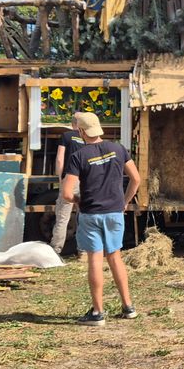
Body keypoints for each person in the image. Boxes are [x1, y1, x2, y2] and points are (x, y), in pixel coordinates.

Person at [62, 112, 142, 326]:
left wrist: (78, 200)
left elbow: (66, 194)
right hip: (115, 213)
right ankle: (128, 307)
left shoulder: (78, 156)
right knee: (115, 257)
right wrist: (125, 201)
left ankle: (98, 313)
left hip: (91, 214)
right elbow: (136, 179)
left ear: (81, 132)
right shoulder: (118, 148)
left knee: (95, 260)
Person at [50, 116, 86, 254]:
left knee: (63, 217)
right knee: (83, 215)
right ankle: (83, 251)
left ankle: (55, 250)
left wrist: (60, 178)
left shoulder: (66, 136)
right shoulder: (87, 137)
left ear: (72, 124)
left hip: (70, 179)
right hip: (86, 180)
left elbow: (60, 159)